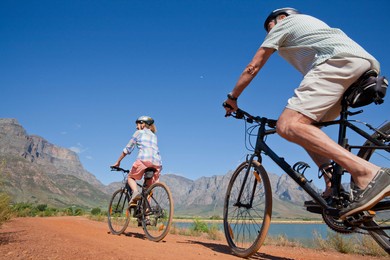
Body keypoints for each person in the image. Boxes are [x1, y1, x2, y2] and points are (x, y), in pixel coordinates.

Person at [223, 7, 390, 219]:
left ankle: (367, 172)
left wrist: (232, 98)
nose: (268, 33)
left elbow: (252, 67)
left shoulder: (285, 24)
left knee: (288, 125)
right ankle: (333, 186)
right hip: (361, 64)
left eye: (269, 27)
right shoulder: (312, 26)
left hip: (337, 61)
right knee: (305, 129)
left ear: (282, 18)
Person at [112, 116, 162, 206]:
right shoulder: (154, 136)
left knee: (130, 178)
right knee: (147, 190)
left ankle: (135, 193)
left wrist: (118, 162)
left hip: (144, 161)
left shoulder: (138, 133)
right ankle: (146, 217)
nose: (136, 127)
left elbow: (127, 149)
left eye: (138, 124)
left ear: (143, 124)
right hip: (157, 164)